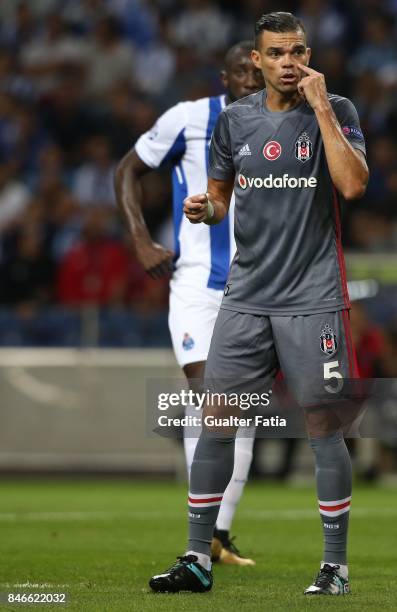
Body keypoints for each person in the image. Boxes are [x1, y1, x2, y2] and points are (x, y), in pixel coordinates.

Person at [149, 12, 368, 595]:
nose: (289, 62)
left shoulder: (338, 110)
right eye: (276, 53)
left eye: (297, 51)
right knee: (216, 422)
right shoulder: (235, 122)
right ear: (258, 61)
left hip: (313, 299)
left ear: (309, 54)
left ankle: (334, 568)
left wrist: (321, 109)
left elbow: (352, 185)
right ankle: (198, 558)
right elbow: (221, 198)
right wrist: (205, 210)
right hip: (245, 299)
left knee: (324, 428)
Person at [115, 42, 264, 565]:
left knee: (242, 413)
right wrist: (139, 238)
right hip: (198, 286)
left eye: (257, 70)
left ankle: (218, 535)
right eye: (241, 72)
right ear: (225, 77)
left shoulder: (287, 125)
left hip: (258, 289)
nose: (250, 79)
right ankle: (203, 538)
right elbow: (128, 170)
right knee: (213, 399)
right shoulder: (188, 117)